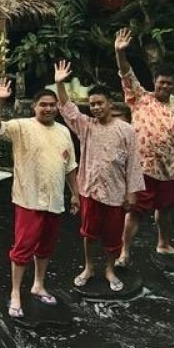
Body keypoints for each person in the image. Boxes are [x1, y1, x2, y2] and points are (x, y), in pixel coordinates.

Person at [0, 77, 79, 318]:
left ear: (57, 108)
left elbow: (70, 166)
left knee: (46, 247)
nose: (48, 108)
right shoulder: (22, 126)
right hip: (28, 199)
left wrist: (76, 195)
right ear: (34, 107)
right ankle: (16, 292)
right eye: (43, 105)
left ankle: (38, 284)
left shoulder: (63, 132)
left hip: (55, 200)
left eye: (52, 105)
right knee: (23, 249)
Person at [54, 60, 144, 291]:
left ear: (110, 104)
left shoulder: (126, 130)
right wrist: (59, 84)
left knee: (114, 238)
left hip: (115, 193)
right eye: (92, 104)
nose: (95, 107)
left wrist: (131, 193)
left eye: (99, 103)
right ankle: (89, 267)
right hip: (90, 191)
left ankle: (110, 269)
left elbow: (134, 164)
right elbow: (67, 109)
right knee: (88, 234)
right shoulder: (87, 126)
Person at [114, 28, 174, 264]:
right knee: (135, 211)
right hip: (142, 168)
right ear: (154, 83)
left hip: (167, 169)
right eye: (161, 83)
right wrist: (120, 53)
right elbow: (127, 75)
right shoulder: (140, 99)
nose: (164, 87)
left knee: (165, 209)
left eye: (169, 84)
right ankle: (124, 252)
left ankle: (164, 244)